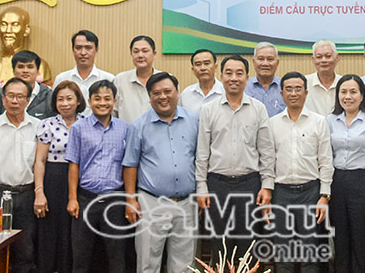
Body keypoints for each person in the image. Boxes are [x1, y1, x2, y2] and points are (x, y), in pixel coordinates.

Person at [196, 55, 276, 262]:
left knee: (247, 244)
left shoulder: (258, 108)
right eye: (228, 73)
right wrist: (201, 187)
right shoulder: (209, 110)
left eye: (239, 73)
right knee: (219, 243)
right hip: (217, 184)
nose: (234, 78)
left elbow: (267, 151)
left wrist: (267, 186)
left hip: (249, 184)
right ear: (221, 76)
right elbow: (202, 152)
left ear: (247, 78)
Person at [123, 72, 199, 273]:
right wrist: (130, 200)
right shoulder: (139, 125)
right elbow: (130, 164)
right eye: (156, 93)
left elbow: (200, 159)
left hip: (186, 203)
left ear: (177, 92)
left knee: (185, 265)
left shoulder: (194, 121)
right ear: (149, 97)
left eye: (167, 91)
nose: (162, 97)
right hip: (151, 203)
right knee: (148, 262)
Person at [270, 71, 333, 273]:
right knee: (283, 251)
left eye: (298, 89)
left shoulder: (319, 122)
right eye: (288, 89)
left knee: (310, 252)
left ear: (306, 93)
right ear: (281, 94)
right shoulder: (272, 124)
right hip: (281, 193)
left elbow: (326, 161)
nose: (293, 93)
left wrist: (324, 195)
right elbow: (268, 162)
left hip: (310, 192)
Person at [0, 78, 41, 273]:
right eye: (10, 96)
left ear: (28, 100)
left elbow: (41, 164)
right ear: (3, 99)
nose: (14, 101)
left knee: (25, 249)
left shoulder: (38, 127)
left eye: (20, 96)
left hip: (27, 196)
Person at [66, 80, 130, 273]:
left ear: (114, 101)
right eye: (97, 99)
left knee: (117, 256)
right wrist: (72, 198)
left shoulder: (125, 128)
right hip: (86, 199)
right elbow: (73, 165)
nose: (102, 103)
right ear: (89, 101)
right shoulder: (78, 128)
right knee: (81, 255)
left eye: (107, 99)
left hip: (115, 200)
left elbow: (129, 166)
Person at [327, 74, 365, 273]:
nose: (348, 96)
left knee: (363, 240)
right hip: (337, 183)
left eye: (353, 92)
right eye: (343, 92)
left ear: (362, 95)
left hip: (363, 182)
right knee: (340, 239)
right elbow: (326, 156)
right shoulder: (330, 120)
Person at [33, 81, 86, 273]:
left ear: (78, 101)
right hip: (53, 180)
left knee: (74, 232)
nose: (65, 103)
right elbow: (40, 161)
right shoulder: (47, 124)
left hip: (81, 181)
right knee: (50, 232)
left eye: (69, 98)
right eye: (60, 99)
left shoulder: (87, 123)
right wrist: (39, 192)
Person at [0, 6, 54, 85]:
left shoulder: (39, 66)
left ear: (26, 30)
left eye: (15, 25)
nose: (8, 30)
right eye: (4, 25)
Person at [54, 30, 114, 112]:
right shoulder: (61, 79)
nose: (83, 52)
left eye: (88, 48)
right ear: (73, 50)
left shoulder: (108, 79)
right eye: (78, 48)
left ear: (96, 50)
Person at [0, 50, 55, 121]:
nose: (25, 71)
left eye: (30, 67)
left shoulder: (48, 95)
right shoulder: (2, 94)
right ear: (13, 71)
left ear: (37, 71)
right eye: (21, 67)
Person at [114, 35, 160, 123]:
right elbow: (113, 113)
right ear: (131, 54)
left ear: (154, 54)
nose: (140, 55)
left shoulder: (166, 80)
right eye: (136, 51)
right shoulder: (120, 80)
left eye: (145, 51)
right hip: (127, 131)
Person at [246, 42, 285, 117]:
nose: (265, 63)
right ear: (254, 62)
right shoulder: (244, 87)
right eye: (261, 59)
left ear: (277, 63)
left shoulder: (285, 87)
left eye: (270, 59)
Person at [304, 40, 342, 115]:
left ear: (337, 58)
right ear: (313, 60)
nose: (323, 60)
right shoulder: (304, 83)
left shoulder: (344, 83)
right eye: (319, 57)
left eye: (328, 56)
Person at [180, 48, 223, 113]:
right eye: (198, 64)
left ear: (215, 67)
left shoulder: (225, 92)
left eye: (207, 63)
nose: (203, 68)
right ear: (193, 70)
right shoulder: (186, 94)